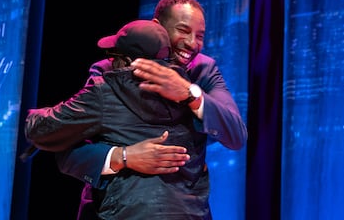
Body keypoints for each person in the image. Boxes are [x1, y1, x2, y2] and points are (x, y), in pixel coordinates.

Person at [53, 0, 248, 219]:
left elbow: (236, 135)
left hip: (182, 210)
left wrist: (189, 93)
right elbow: (67, 151)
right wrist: (123, 156)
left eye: (200, 36)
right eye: (184, 31)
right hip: (114, 209)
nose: (193, 43)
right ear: (158, 26)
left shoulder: (203, 71)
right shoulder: (109, 70)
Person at [25, 19, 212, 218]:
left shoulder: (108, 91)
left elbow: (40, 130)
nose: (110, 63)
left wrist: (34, 116)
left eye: (114, 56)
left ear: (129, 61)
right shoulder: (192, 95)